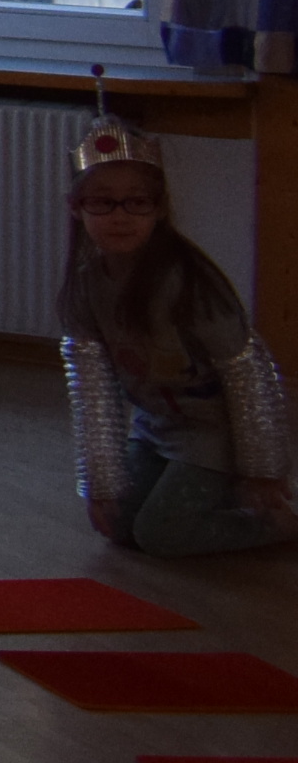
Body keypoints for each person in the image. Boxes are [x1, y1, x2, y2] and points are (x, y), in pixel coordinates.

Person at [60, 117, 293, 559]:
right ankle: (205, 496)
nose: (120, 217)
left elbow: (246, 370)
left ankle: (274, 521)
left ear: (159, 208)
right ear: (76, 208)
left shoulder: (186, 282)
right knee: (120, 526)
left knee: (161, 534)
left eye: (136, 203)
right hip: (156, 427)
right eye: (103, 203)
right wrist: (101, 483)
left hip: (213, 433)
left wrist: (262, 468)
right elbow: (93, 389)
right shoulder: (86, 286)